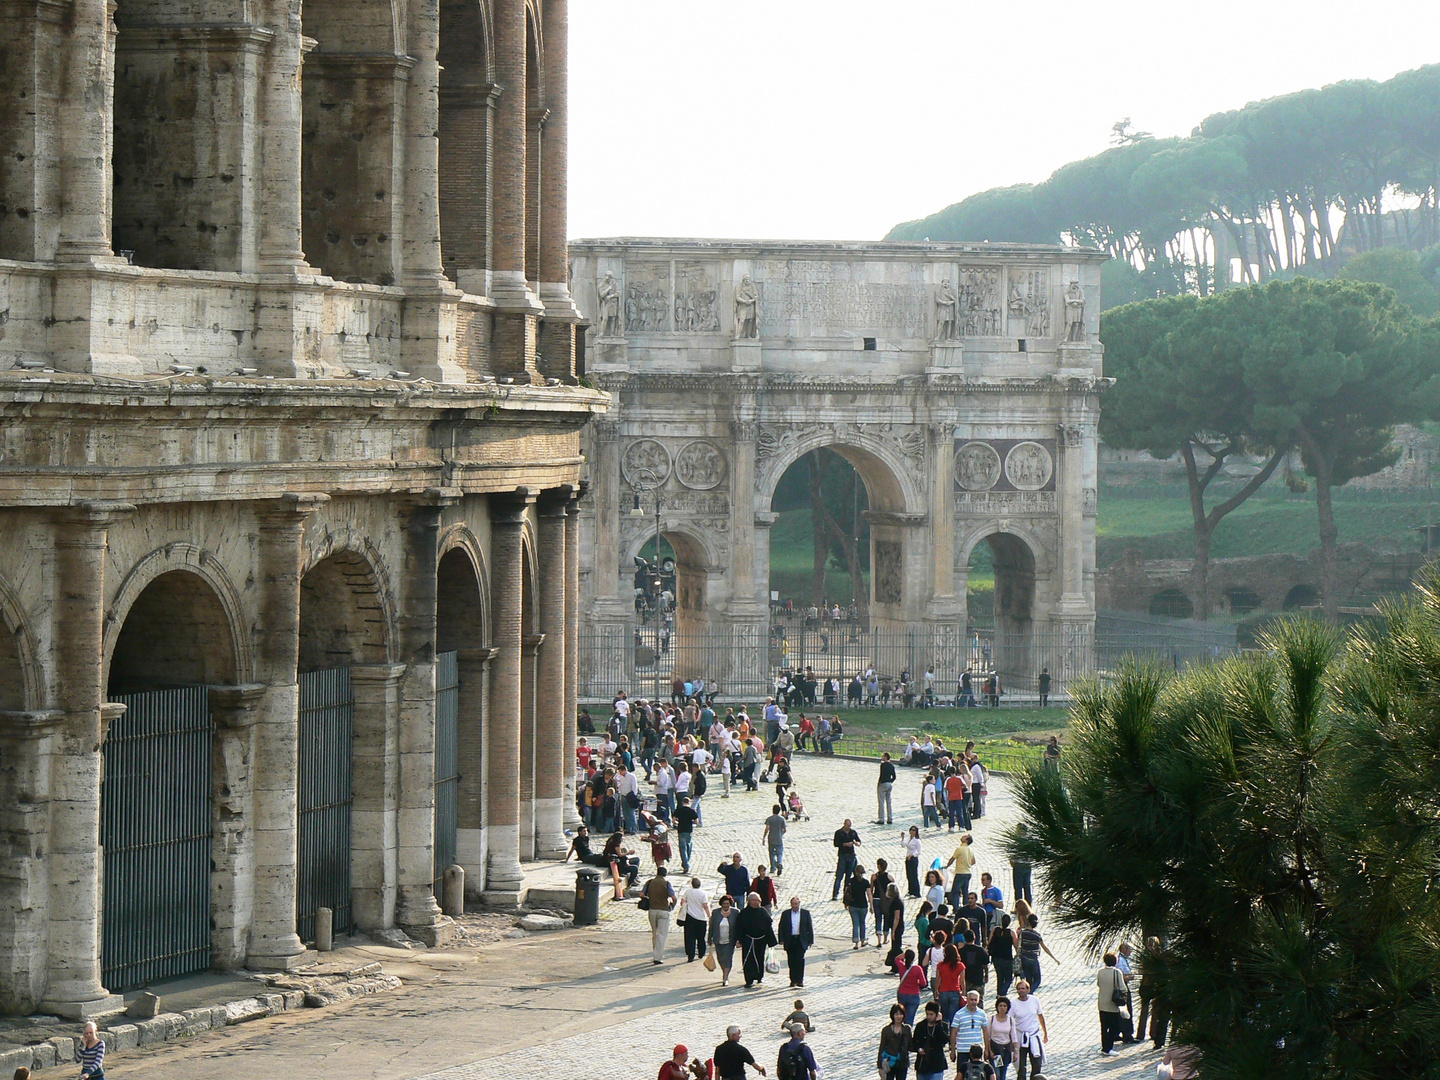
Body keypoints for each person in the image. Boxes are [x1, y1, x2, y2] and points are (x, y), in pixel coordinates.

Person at [737, 891, 777, 988]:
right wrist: (739, 940)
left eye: (759, 900)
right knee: (748, 960)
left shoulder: (763, 912)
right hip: (748, 940)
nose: (758, 902)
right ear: (750, 901)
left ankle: (759, 976)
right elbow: (739, 927)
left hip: (761, 940)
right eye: (756, 900)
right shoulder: (744, 913)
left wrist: (771, 941)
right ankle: (749, 979)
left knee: (760, 958)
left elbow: (768, 927)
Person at [1010, 980, 1047, 1080]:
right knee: (1021, 1066)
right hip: (1020, 1036)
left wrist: (1045, 1033)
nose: (1021, 991)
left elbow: (1040, 1016)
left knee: (1037, 1064)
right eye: (1019, 989)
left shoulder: (1034, 1000)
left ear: (1028, 989)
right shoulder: (1013, 1004)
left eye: (1023, 988)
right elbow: (1010, 1021)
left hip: (1034, 1036)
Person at [910, 1000, 954, 1080]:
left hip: (937, 1063)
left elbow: (944, 1040)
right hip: (923, 1063)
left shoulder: (942, 1025)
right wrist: (919, 1049)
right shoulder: (921, 1025)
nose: (929, 1017)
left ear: (937, 1014)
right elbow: (914, 1042)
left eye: (931, 1014)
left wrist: (939, 1024)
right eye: (927, 1014)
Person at [777, 895, 814, 988]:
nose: (795, 906)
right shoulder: (785, 914)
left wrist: (810, 940)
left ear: (799, 904)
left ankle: (800, 980)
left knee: (800, 960)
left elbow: (809, 927)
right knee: (791, 961)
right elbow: (781, 927)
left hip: (801, 940)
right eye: (793, 904)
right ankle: (793, 980)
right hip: (790, 940)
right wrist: (781, 940)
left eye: (796, 904)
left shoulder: (805, 913)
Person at [643, 866, 676, 964]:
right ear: (665, 874)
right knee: (661, 934)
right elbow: (674, 898)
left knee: (654, 933)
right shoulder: (666, 884)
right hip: (663, 910)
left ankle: (655, 950)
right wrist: (672, 906)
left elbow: (641, 894)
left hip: (652, 910)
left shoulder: (649, 882)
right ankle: (657, 957)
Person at [1096, 952, 1126, 1054]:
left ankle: (1104, 1047)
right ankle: (1109, 1047)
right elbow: (1122, 988)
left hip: (1102, 1002)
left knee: (1104, 1027)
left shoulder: (1100, 972)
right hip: (1112, 1003)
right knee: (1115, 1026)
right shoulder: (1117, 972)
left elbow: (1099, 984)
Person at [708, 894, 741, 986]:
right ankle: (724, 971)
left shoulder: (735, 912)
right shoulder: (715, 912)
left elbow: (739, 927)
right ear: (721, 904)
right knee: (721, 959)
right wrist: (709, 938)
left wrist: (739, 940)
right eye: (724, 904)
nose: (726, 905)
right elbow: (712, 926)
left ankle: (725, 977)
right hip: (718, 940)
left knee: (728, 958)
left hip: (730, 940)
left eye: (728, 903)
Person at [1018, 914, 1057, 990]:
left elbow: (1018, 943)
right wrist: (1054, 958)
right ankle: (1030, 993)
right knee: (1037, 980)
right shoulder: (1037, 936)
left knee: (1028, 980)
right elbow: (1045, 948)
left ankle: (1028, 993)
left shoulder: (1023, 933)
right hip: (1033, 959)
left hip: (1024, 959)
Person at [932, 942, 966, 1026]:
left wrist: (936, 990)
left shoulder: (940, 965)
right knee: (953, 1016)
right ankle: (952, 1035)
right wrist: (964, 992)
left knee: (944, 1016)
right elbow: (962, 981)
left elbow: (938, 979)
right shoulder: (960, 965)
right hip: (955, 991)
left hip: (943, 991)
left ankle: (944, 1031)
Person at [877, 1003, 912, 1080]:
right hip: (890, 1062)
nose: (899, 1017)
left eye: (901, 1014)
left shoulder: (907, 1028)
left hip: (902, 1062)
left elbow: (910, 1045)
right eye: (896, 1014)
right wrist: (880, 1066)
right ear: (892, 1015)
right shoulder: (887, 1030)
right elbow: (882, 1047)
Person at [952, 991, 989, 1065]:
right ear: (967, 1000)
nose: (973, 1002)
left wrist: (986, 1049)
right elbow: (954, 1032)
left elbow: (986, 1031)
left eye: (975, 1000)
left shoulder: (982, 1014)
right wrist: (953, 1050)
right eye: (971, 999)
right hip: (963, 1049)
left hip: (977, 1050)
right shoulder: (959, 1014)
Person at [986, 996, 1017, 1080]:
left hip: (1006, 1050)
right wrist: (989, 1050)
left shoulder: (1010, 1020)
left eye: (1004, 1006)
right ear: (997, 1007)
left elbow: (1013, 1036)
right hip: (995, 1049)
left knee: (1003, 1074)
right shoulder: (991, 1019)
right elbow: (987, 1036)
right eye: (1000, 1005)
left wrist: (1015, 1052)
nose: (1002, 1008)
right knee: (997, 1074)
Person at [681, 876, 710, 962]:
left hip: (690, 917)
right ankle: (701, 953)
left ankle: (691, 955)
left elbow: (682, 902)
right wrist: (709, 915)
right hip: (701, 918)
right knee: (701, 937)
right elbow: (705, 905)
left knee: (690, 937)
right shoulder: (703, 893)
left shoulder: (688, 892)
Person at [832, 818, 861, 900]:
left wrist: (857, 843)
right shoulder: (839, 833)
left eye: (850, 825)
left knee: (848, 877)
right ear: (844, 824)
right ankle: (835, 894)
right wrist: (845, 844)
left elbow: (859, 841)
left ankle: (846, 893)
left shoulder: (853, 832)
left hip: (851, 856)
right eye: (847, 825)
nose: (849, 827)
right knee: (839, 876)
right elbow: (836, 844)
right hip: (843, 855)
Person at [959, 929, 990, 1005]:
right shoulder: (980, 950)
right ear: (974, 938)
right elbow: (986, 964)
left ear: (965, 939)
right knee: (979, 1000)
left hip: (966, 980)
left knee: (966, 1001)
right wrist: (986, 975)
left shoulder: (961, 951)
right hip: (978, 979)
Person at [988, 914, 1017, 996]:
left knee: (999, 977)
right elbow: (1016, 946)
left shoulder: (995, 930)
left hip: (996, 957)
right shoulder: (1011, 932)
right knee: (1008, 978)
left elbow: (990, 942)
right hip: (1007, 958)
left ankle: (999, 994)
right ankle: (1002, 993)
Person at [896, 951, 929, 1025]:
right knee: (910, 1019)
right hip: (914, 995)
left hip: (902, 994)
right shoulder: (917, 968)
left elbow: (896, 959)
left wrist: (905, 954)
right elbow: (924, 983)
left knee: (901, 1015)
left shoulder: (901, 966)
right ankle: (908, 1032)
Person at [844, 863, 872, 949]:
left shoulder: (850, 881)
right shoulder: (865, 882)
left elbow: (846, 892)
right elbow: (869, 894)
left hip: (853, 905)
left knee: (855, 924)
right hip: (863, 906)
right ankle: (863, 941)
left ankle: (856, 943)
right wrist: (871, 906)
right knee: (862, 923)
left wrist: (845, 903)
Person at [944, 834, 975, 910]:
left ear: (966, 840)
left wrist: (947, 866)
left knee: (955, 891)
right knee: (965, 891)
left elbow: (952, 859)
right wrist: (967, 864)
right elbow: (973, 861)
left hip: (960, 873)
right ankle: (966, 908)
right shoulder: (971, 849)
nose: (962, 836)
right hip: (968, 873)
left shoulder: (959, 849)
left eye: (965, 836)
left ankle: (956, 909)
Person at [871, 859, 894, 948]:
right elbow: (893, 891)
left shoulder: (874, 877)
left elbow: (871, 889)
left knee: (878, 919)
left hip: (876, 899)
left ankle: (879, 940)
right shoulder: (890, 877)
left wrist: (871, 901)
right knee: (886, 919)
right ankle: (885, 938)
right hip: (887, 901)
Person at [674, 796, 700, 873]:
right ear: (689, 802)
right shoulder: (691, 811)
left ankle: (685, 864)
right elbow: (696, 821)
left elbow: (674, 820)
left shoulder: (678, 810)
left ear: (682, 802)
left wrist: (677, 823)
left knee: (682, 848)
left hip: (681, 830)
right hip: (689, 830)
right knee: (689, 846)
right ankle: (686, 862)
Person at [884, 883, 907, 970]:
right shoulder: (897, 901)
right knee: (895, 946)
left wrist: (893, 930)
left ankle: (897, 966)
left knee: (896, 947)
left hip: (897, 927)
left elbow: (897, 917)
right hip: (898, 926)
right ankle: (896, 966)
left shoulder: (896, 902)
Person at [763, 803, 787, 876]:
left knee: (772, 854)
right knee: (779, 853)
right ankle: (779, 863)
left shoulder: (769, 819)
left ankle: (773, 867)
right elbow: (785, 829)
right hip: (779, 839)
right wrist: (781, 834)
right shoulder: (782, 819)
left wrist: (764, 837)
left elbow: (767, 828)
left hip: (771, 839)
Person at [1011, 825, 1033, 905]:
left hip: (1019, 865)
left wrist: (1013, 863)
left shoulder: (1016, 841)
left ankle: (1019, 906)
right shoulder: (1030, 842)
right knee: (1027, 886)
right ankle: (1028, 905)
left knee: (1018, 888)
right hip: (1028, 866)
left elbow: (1012, 855)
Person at [902, 826, 923, 897]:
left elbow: (919, 851)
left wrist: (912, 855)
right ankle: (910, 890)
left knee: (914, 875)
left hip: (913, 859)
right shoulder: (909, 839)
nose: (912, 831)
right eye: (911, 830)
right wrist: (902, 838)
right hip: (908, 858)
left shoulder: (917, 840)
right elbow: (903, 845)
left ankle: (916, 892)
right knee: (909, 875)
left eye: (913, 830)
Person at [877, 753, 896, 824]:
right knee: (889, 802)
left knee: (881, 802)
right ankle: (890, 818)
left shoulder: (883, 765)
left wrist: (879, 783)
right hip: (889, 784)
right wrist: (890, 781)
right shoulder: (892, 765)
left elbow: (881, 775)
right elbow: (894, 776)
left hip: (883, 783)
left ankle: (881, 819)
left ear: (885, 757)